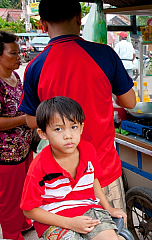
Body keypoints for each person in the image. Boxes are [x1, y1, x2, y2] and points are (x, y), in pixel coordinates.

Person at [18, 0, 136, 216]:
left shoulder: (35, 67)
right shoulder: (105, 55)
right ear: (79, 18)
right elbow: (130, 103)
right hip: (104, 171)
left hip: (59, 183)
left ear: (43, 25)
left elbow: (31, 122)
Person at [20, 96, 126, 240]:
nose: (68, 135)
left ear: (81, 128)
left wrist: (108, 208)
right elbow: (29, 210)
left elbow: (93, 180)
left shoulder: (88, 150)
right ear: (43, 134)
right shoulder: (38, 167)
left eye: (73, 127)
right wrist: (70, 223)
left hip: (88, 209)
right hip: (54, 218)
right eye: (58, 129)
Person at [0, 31, 33, 240]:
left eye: (19, 52)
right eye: (13, 53)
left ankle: (22, 223)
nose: (19, 57)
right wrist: (26, 120)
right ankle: (12, 235)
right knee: (9, 201)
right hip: (6, 155)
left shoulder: (15, 77)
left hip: (24, 148)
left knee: (24, 192)